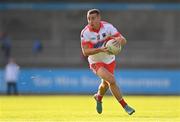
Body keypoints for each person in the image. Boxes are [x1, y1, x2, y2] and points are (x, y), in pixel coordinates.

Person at [80, 9, 135, 115]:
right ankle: (125, 106)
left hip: (109, 59)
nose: (90, 21)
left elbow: (123, 40)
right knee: (112, 80)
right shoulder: (85, 33)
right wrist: (100, 49)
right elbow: (85, 52)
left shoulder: (108, 27)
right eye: (88, 19)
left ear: (99, 18)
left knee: (105, 84)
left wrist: (120, 40)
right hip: (95, 61)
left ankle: (98, 97)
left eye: (93, 18)